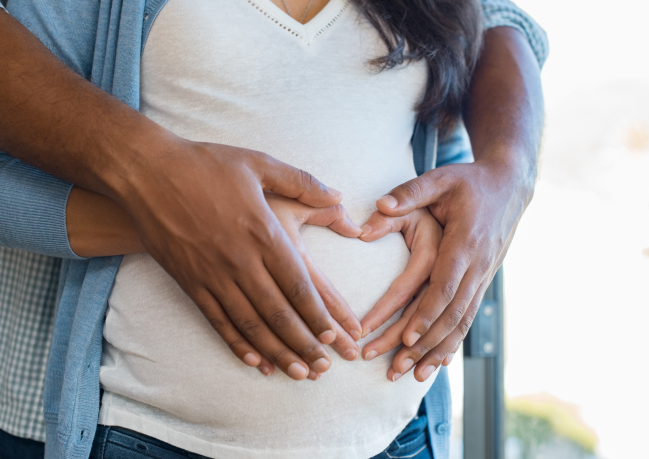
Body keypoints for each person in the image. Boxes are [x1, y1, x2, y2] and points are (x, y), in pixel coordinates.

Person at [0, 0, 547, 458]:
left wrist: (509, 174)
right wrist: (164, 215)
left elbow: (500, 20)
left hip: (400, 436)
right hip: (155, 436)